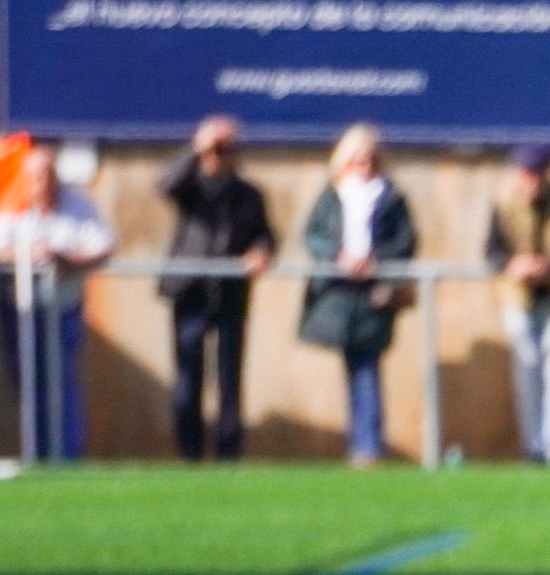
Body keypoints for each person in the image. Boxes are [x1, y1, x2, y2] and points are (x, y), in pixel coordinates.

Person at [0, 143, 113, 462]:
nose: (42, 182)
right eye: (35, 176)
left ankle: (67, 454)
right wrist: (28, 255)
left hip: (64, 308)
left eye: (47, 174)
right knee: (28, 383)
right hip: (20, 310)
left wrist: (65, 258)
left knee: (62, 382)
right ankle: (37, 452)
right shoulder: (10, 202)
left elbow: (103, 246)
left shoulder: (78, 204)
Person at [158, 115, 275, 462]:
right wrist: (197, 149)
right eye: (219, 147)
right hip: (190, 291)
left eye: (229, 147)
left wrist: (262, 252)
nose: (224, 154)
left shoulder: (250, 194)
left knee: (229, 378)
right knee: (188, 378)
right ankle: (189, 453)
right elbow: (165, 185)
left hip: (229, 293)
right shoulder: (189, 187)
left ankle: (229, 455)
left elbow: (265, 235)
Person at [298, 126, 416, 467]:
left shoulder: (391, 196)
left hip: (375, 291)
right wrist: (339, 256)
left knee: (367, 368)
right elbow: (313, 235)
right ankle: (358, 440)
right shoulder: (332, 194)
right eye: (357, 161)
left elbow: (405, 240)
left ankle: (368, 446)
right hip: (338, 292)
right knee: (351, 367)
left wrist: (375, 261)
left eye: (370, 160)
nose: (364, 167)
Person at [487, 146, 550, 464]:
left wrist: (549, 266)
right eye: (526, 172)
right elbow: (491, 252)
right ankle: (534, 448)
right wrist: (515, 264)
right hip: (518, 299)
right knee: (526, 371)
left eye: (537, 172)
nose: (531, 179)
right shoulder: (503, 201)